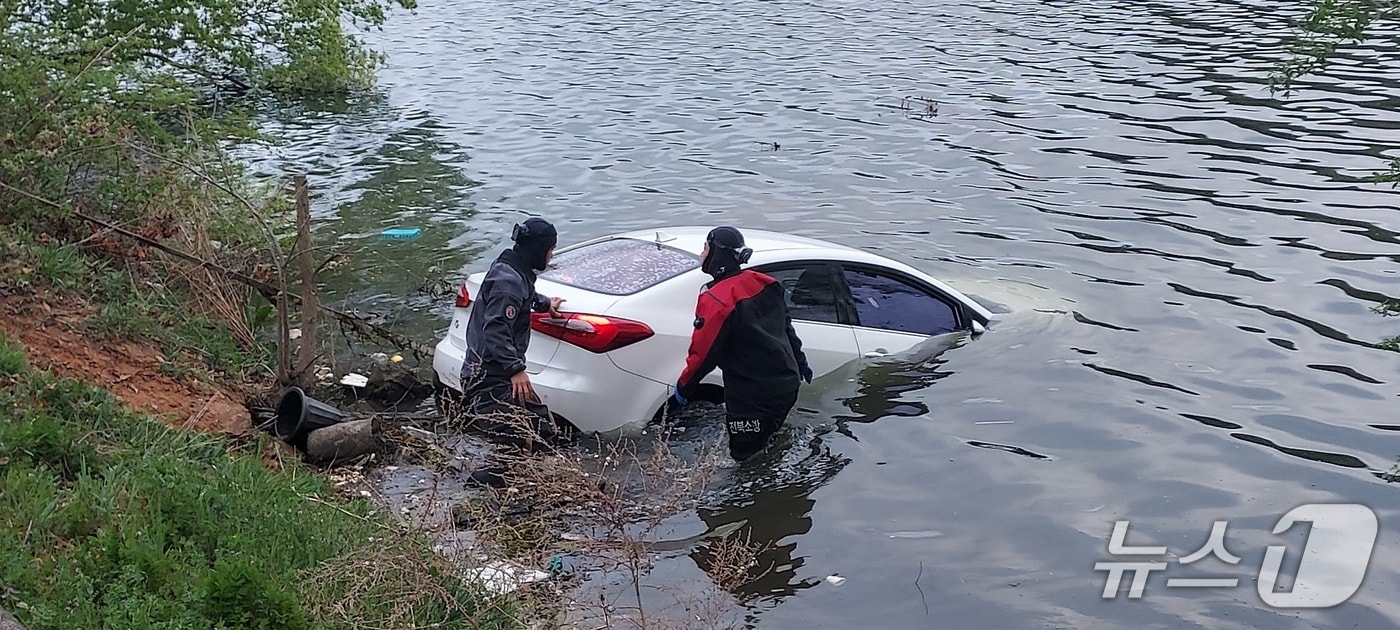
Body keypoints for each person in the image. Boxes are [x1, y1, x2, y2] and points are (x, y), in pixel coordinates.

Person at [671, 226, 813, 461]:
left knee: (744, 460)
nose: (702, 253)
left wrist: (684, 387)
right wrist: (801, 362)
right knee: (768, 444)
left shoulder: (717, 300)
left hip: (753, 398)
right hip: (787, 384)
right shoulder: (764, 282)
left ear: (718, 254)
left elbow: (704, 355)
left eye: (706, 247)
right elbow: (787, 328)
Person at [459, 217, 567, 486]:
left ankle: (529, 480)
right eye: (550, 249)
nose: (552, 255)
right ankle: (482, 489)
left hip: (498, 372)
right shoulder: (508, 281)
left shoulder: (512, 268)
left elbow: (524, 295)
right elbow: (495, 330)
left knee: (542, 427)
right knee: (515, 439)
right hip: (488, 376)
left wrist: (544, 304)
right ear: (538, 249)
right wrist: (516, 370)